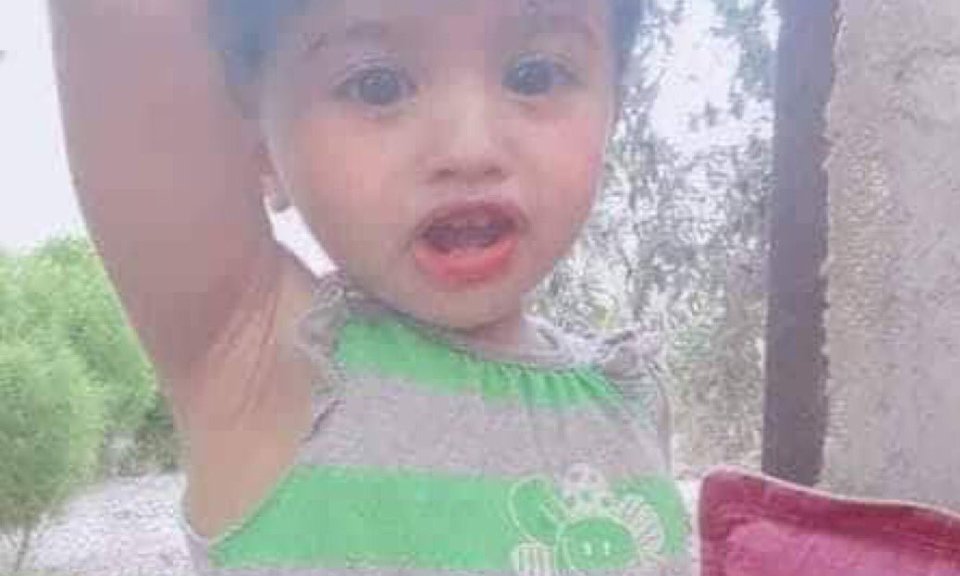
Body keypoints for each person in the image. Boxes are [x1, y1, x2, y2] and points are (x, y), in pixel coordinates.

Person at [48, 0, 694, 573]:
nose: (469, 148)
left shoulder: (630, 400)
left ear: (614, 105)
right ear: (259, 145)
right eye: (377, 85)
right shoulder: (258, 359)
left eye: (535, 75)